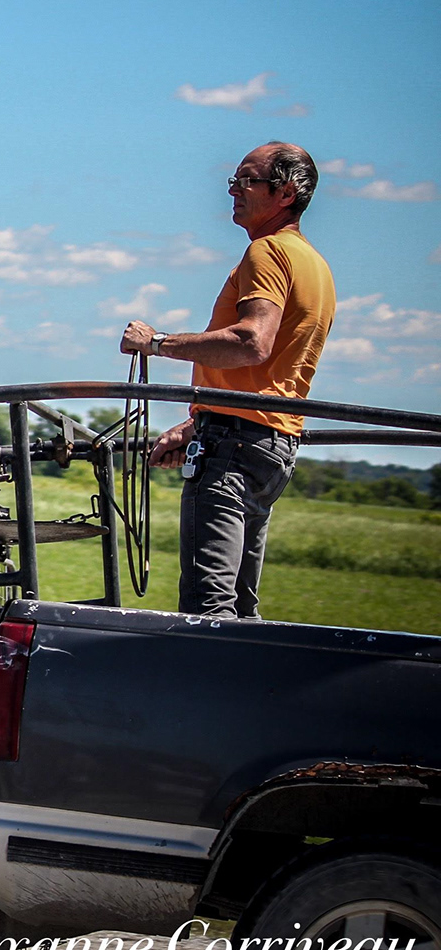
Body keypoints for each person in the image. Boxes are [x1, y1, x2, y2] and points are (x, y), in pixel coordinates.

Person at [119, 142, 335, 619]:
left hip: (234, 450)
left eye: (246, 180)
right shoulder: (313, 265)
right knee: (240, 606)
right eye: (233, 181)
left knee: (208, 608)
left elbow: (252, 344)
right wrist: (198, 425)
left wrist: (155, 343)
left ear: (286, 193)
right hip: (270, 445)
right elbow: (271, 379)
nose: (234, 190)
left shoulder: (267, 252)